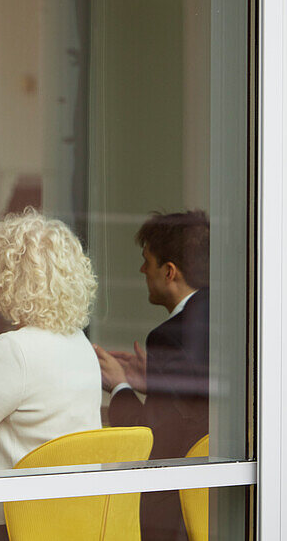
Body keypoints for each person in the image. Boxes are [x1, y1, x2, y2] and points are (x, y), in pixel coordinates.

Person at [0, 210, 102, 540]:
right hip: (75, 515)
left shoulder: (13, 350)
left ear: (8, 278)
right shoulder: (80, 345)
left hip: (13, 522)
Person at [94, 210, 210, 541]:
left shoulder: (169, 336)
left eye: (148, 261)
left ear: (169, 272)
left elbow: (152, 441)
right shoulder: (234, 316)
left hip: (180, 514)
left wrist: (120, 387)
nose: (142, 270)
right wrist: (153, 381)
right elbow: (195, 404)